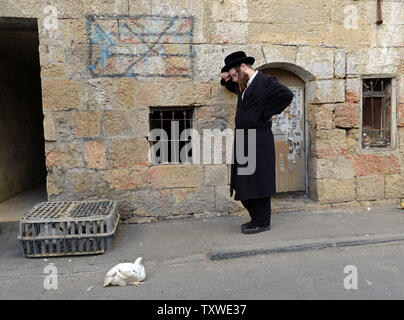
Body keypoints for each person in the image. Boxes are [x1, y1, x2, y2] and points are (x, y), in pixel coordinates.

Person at [220, 51, 294, 234]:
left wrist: (267, 113)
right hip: (244, 140)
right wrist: (225, 78)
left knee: (259, 181)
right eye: (232, 77)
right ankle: (255, 218)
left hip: (259, 140)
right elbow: (230, 86)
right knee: (242, 182)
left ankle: (262, 222)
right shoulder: (243, 85)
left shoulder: (266, 82)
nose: (234, 79)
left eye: (235, 75)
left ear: (243, 67)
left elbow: (286, 95)